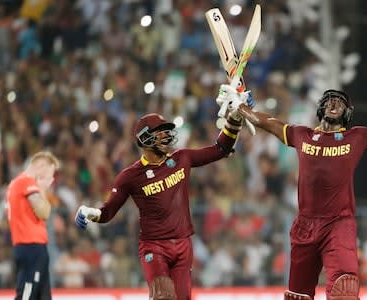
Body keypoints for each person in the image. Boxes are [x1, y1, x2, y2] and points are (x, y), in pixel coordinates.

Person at [218, 85, 367, 300]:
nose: (334, 104)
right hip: (304, 225)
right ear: (321, 108)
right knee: (297, 297)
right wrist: (240, 107)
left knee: (345, 290)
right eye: (329, 100)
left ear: (347, 112)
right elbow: (267, 121)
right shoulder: (301, 134)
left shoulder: (358, 136)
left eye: (340, 102)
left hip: (338, 224)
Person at [74, 108, 251, 300]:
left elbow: (220, 149)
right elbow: (107, 212)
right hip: (154, 247)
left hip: (183, 244)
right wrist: (89, 212)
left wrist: (233, 120)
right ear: (145, 139)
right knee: (163, 296)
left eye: (167, 131)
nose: (166, 135)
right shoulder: (130, 176)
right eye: (161, 132)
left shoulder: (181, 158)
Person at [5, 151, 60, 300]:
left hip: (31, 247)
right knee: (26, 295)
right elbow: (44, 212)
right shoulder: (26, 182)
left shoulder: (15, 184)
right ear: (41, 166)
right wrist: (42, 188)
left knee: (43, 296)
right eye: (50, 173)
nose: (51, 179)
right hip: (31, 247)